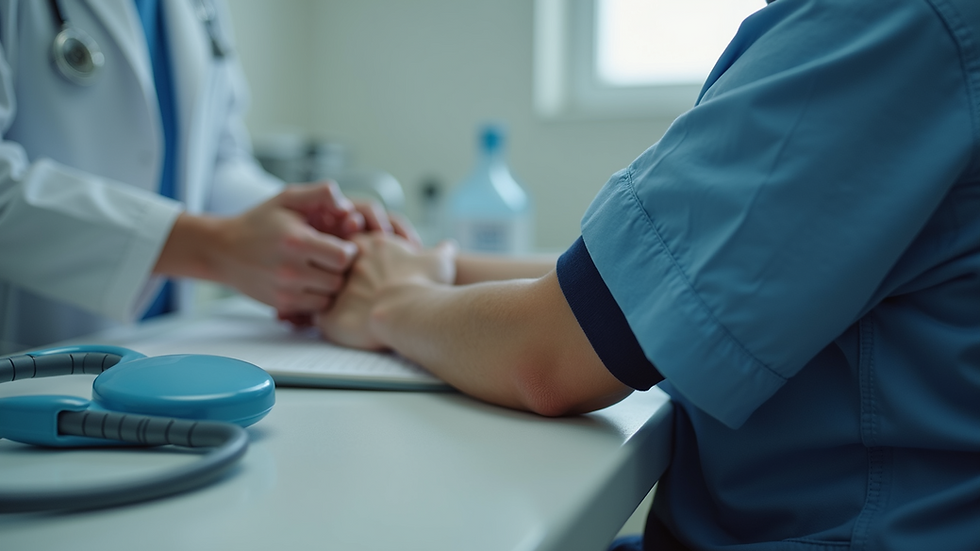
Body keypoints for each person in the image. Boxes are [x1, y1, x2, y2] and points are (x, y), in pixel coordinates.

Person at [316, 0, 980, 549]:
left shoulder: (890, 20)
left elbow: (549, 357)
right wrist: (446, 266)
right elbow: (659, 284)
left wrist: (389, 302)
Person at [0, 0, 413, 354]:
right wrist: (216, 247)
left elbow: (218, 162)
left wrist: (309, 231)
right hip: (26, 355)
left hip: (157, 342)